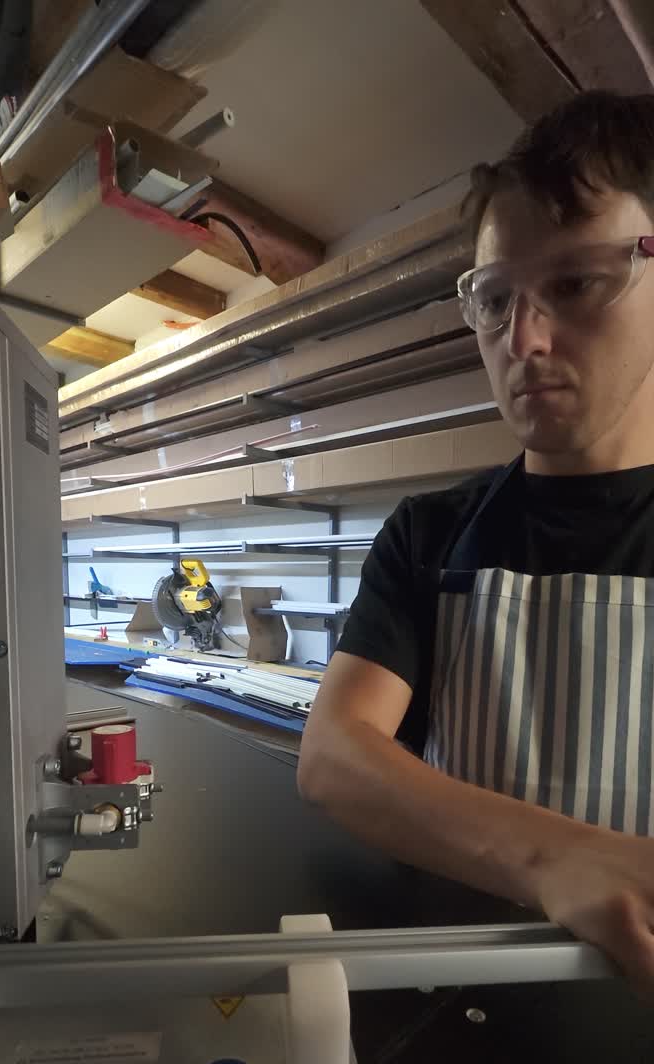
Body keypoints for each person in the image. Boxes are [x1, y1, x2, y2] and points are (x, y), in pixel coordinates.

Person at [298, 90, 654, 988]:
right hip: (458, 1003)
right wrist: (553, 859)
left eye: (575, 283)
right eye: (496, 300)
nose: (522, 339)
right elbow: (335, 755)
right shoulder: (431, 536)